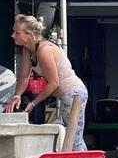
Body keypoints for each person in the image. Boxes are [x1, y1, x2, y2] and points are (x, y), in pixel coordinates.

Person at [5, 14, 89, 150]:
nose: (12, 35)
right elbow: (24, 77)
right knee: (64, 134)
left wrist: (33, 103)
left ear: (30, 35)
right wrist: (17, 95)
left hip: (74, 94)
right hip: (65, 95)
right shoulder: (28, 50)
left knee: (73, 137)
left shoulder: (44, 50)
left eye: (17, 33)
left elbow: (53, 83)